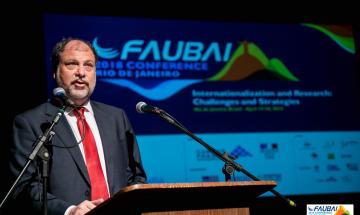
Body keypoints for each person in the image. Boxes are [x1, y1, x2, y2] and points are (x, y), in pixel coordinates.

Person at [7, 37, 147, 215]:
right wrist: (69, 210)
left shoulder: (116, 117)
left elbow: (136, 176)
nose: (81, 72)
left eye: (88, 65)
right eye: (72, 64)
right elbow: (25, 188)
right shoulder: (31, 122)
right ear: (55, 71)